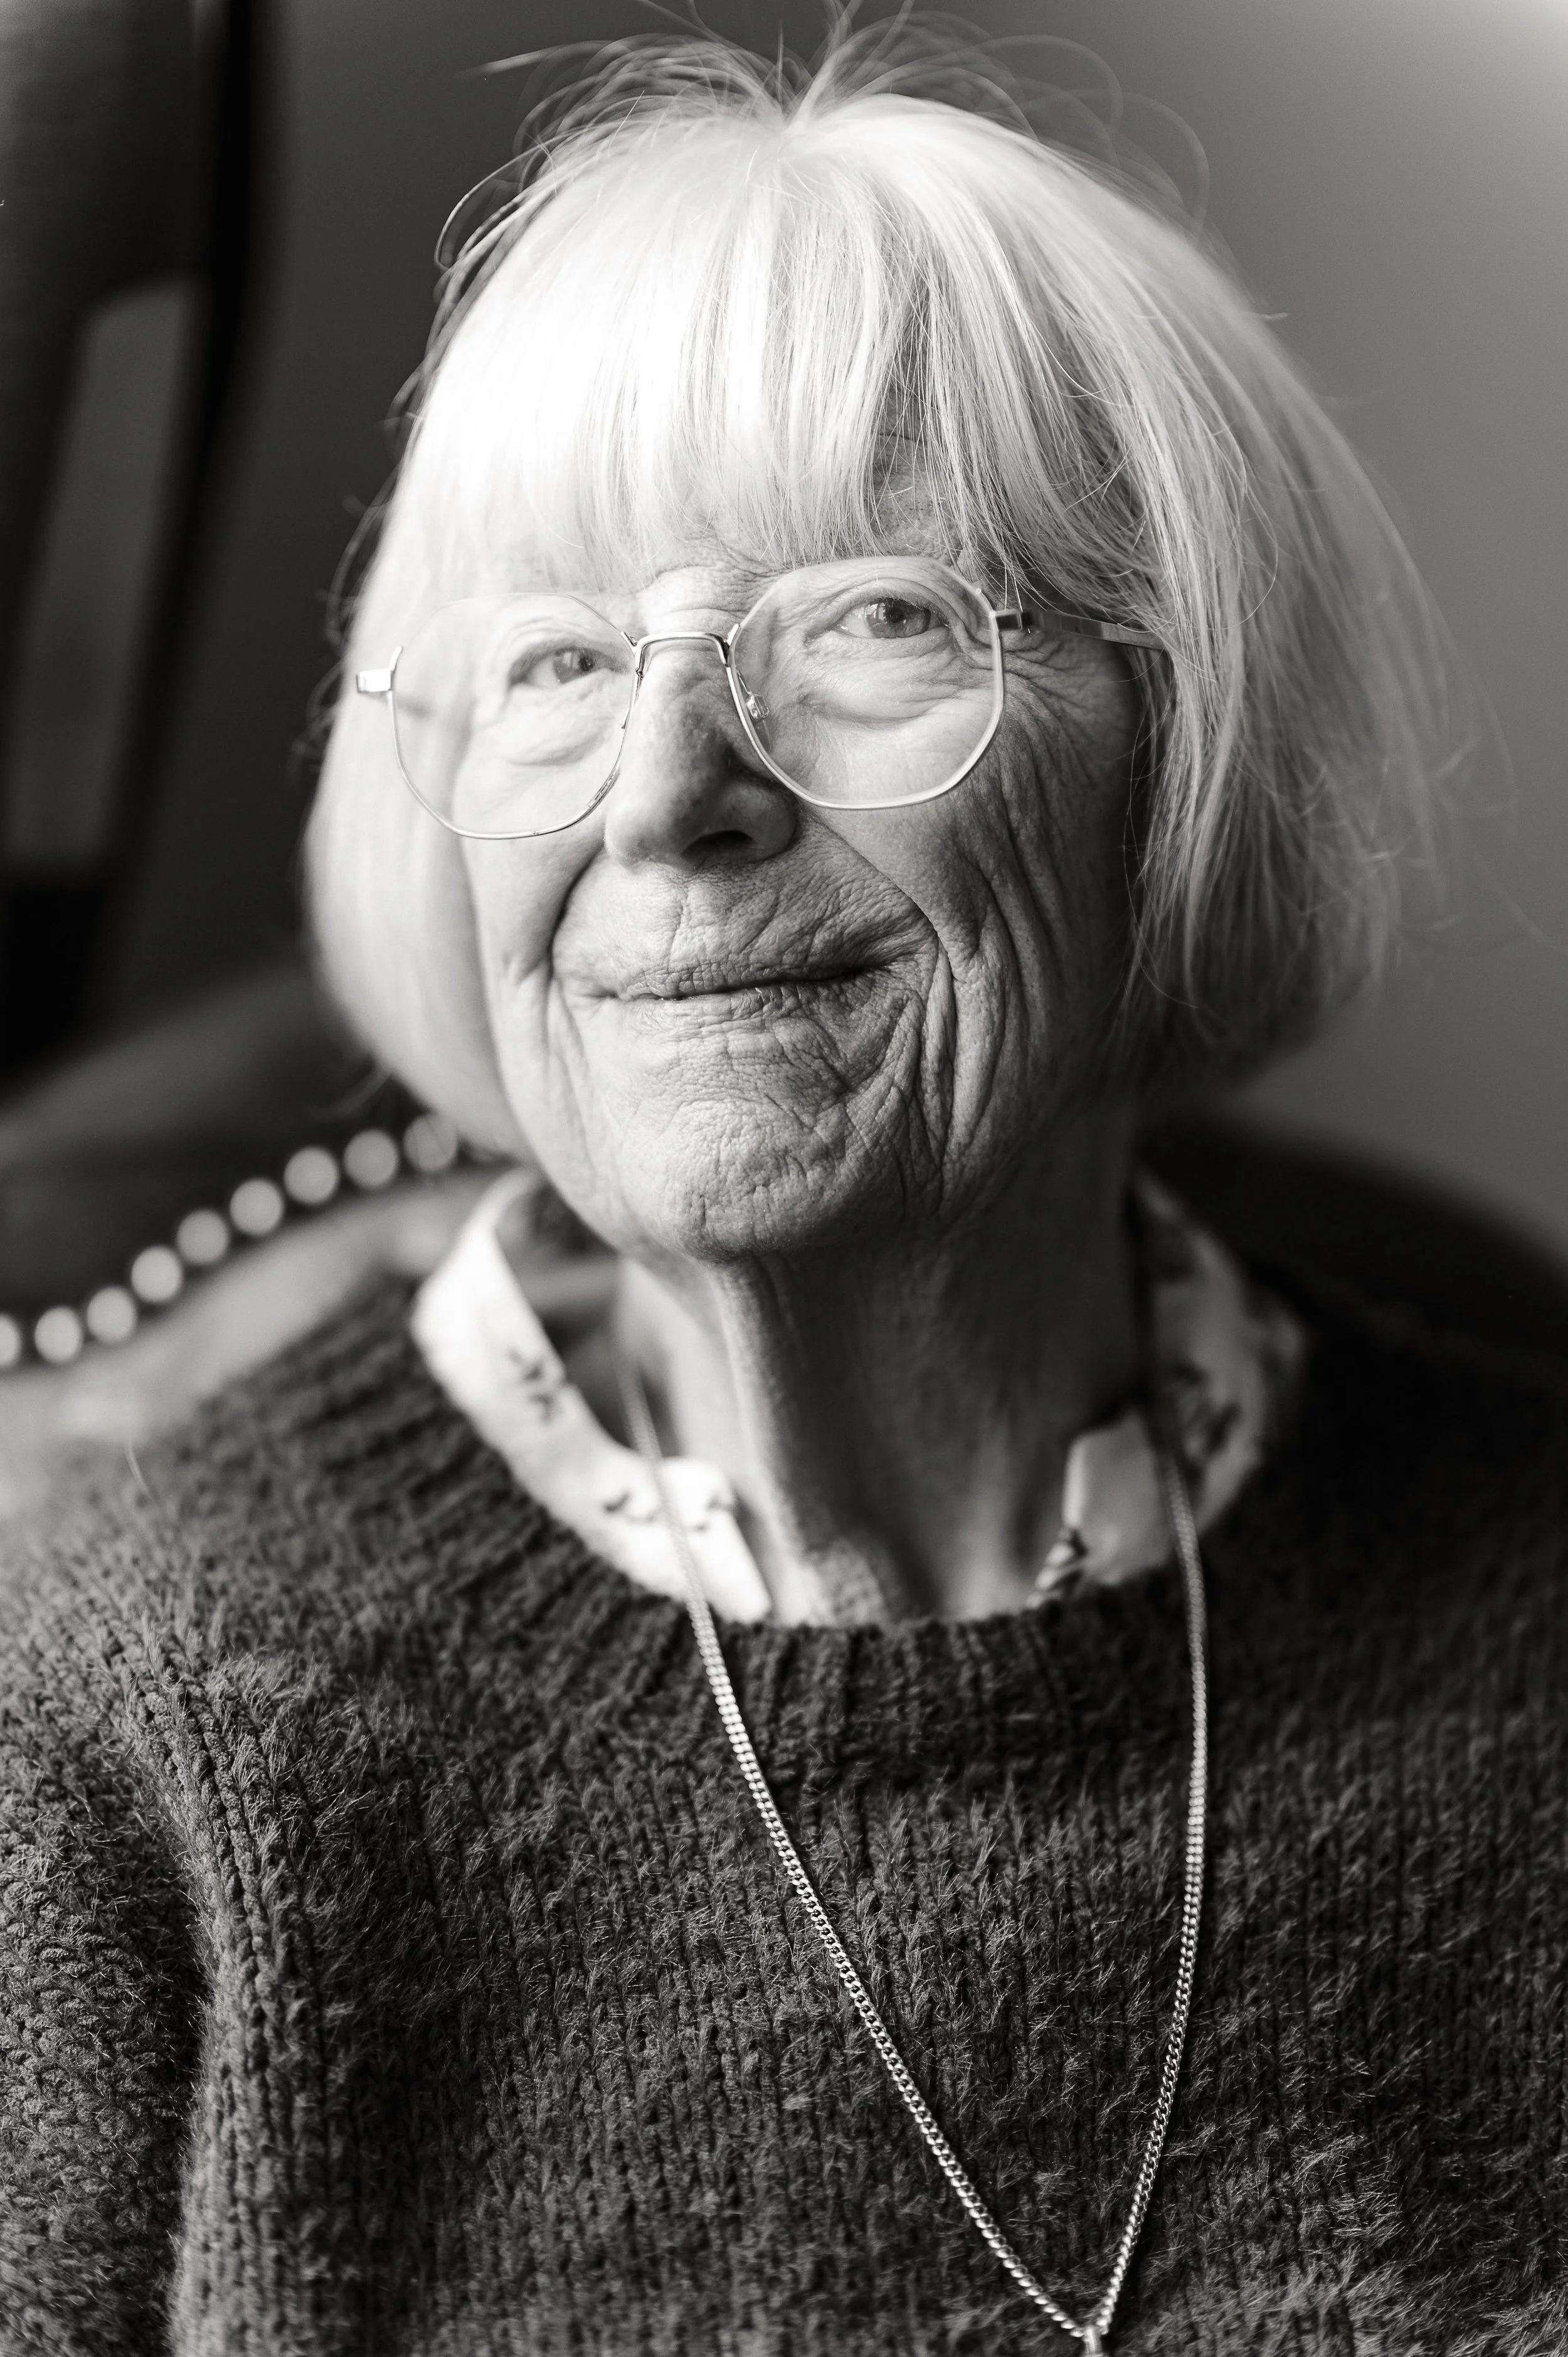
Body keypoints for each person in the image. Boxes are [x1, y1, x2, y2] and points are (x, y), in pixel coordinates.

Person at [2, 29, 1564, 2354]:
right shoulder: (109, 1725)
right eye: (551, 660)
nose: (662, 795)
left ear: (1185, 741)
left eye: (868, 617)